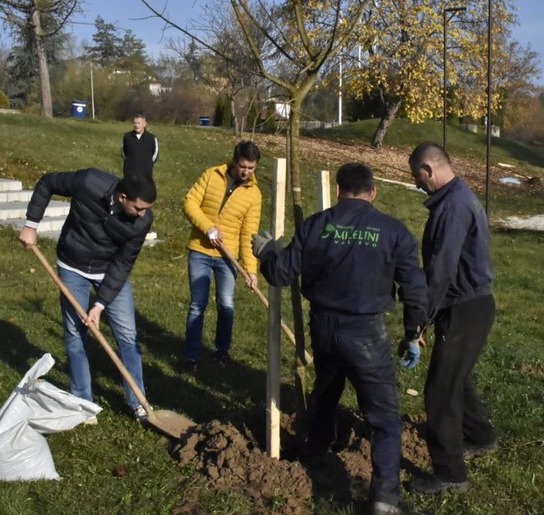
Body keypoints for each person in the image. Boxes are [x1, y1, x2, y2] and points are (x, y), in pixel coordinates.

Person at [252, 163, 427, 515]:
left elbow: (280, 273)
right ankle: (384, 499)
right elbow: (414, 290)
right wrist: (413, 333)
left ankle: (315, 449)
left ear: (337, 190)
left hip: (324, 327)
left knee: (327, 389)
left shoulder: (316, 225)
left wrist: (267, 250)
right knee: (384, 418)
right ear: (373, 192)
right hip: (366, 333)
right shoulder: (394, 232)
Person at [19, 170, 157, 422]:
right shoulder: (89, 183)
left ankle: (138, 403)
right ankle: (82, 402)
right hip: (73, 265)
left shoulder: (142, 221)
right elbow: (47, 182)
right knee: (75, 334)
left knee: (127, 335)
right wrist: (31, 224)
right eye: (138, 208)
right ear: (123, 197)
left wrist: (100, 305)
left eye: (146, 209)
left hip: (109, 271)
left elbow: (123, 264)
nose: (143, 214)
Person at [405, 142, 498, 495]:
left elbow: (440, 271)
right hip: (472, 303)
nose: (416, 184)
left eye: (417, 176)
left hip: (464, 306)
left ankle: (450, 474)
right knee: (455, 376)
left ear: (429, 169)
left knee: (440, 390)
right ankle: (481, 436)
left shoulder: (452, 208)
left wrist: (418, 321)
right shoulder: (458, 198)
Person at [181, 140, 262, 374]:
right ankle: (191, 357)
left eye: (251, 168)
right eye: (242, 166)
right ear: (234, 161)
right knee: (198, 304)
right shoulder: (212, 175)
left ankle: (222, 352)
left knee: (226, 305)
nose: (246, 172)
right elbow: (189, 203)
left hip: (229, 257)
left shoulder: (254, 194)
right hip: (200, 251)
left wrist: (251, 270)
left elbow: (249, 233)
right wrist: (207, 228)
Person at [121, 113, 159, 178]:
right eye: (135, 123)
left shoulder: (151, 138)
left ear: (144, 124)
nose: (136, 125)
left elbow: (155, 154)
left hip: (145, 174)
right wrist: (129, 162)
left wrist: (147, 164)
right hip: (130, 173)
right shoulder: (127, 137)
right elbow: (123, 152)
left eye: (139, 123)